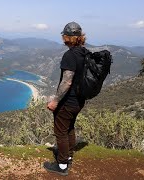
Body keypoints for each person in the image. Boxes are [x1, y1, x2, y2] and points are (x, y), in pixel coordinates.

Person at [44, 21, 88, 176]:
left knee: (60, 132)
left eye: (64, 35)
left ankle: (62, 165)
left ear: (67, 37)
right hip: (79, 100)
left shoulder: (70, 55)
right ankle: (68, 155)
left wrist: (55, 101)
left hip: (68, 102)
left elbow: (67, 81)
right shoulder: (84, 52)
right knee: (69, 128)